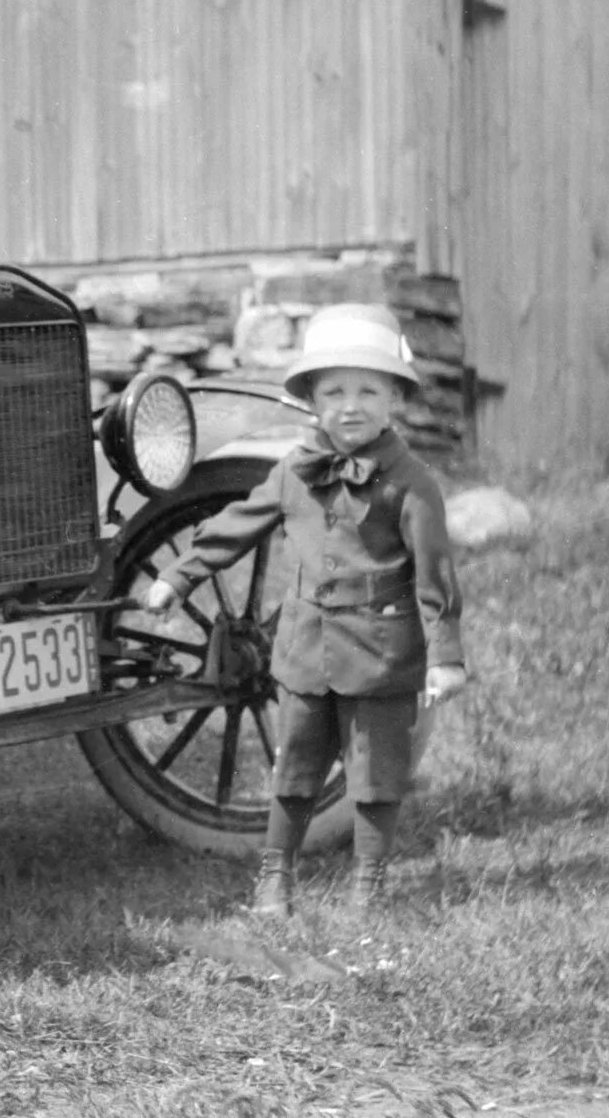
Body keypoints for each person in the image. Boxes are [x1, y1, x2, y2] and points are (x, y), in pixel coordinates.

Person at [139, 302, 469, 914]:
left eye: (369, 389)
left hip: (379, 656)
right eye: (335, 390)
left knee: (375, 776)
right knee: (294, 768)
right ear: (313, 399)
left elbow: (435, 575)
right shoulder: (295, 472)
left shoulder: (412, 483)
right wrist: (179, 577)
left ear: (394, 396)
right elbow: (237, 525)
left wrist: (444, 657)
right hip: (304, 653)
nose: (351, 405)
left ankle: (368, 888)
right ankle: (274, 880)